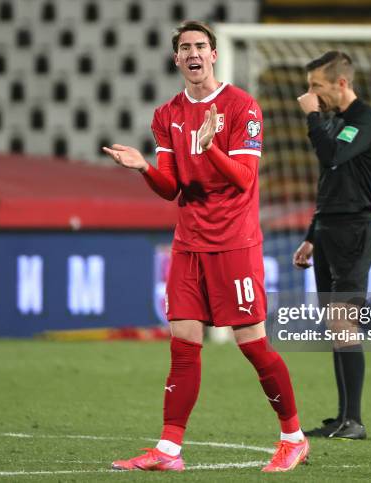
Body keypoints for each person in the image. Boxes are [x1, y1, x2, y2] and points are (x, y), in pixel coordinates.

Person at [103, 21, 309, 472]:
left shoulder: (242, 107)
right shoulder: (166, 114)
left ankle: (293, 436)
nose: (193, 53)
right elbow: (170, 187)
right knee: (182, 344)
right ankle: (169, 450)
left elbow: (244, 179)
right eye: (184, 48)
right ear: (176, 59)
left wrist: (212, 147)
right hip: (189, 244)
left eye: (200, 45)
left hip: (234, 243)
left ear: (214, 54)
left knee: (252, 344)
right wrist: (142, 168)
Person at [292, 51, 371, 440]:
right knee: (335, 326)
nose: (310, 93)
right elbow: (330, 183)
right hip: (329, 230)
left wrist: (312, 116)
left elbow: (331, 156)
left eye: (317, 86)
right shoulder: (339, 121)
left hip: (353, 231)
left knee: (345, 323)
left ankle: (356, 421)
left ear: (342, 83)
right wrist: (312, 236)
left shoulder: (363, 119)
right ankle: (343, 417)